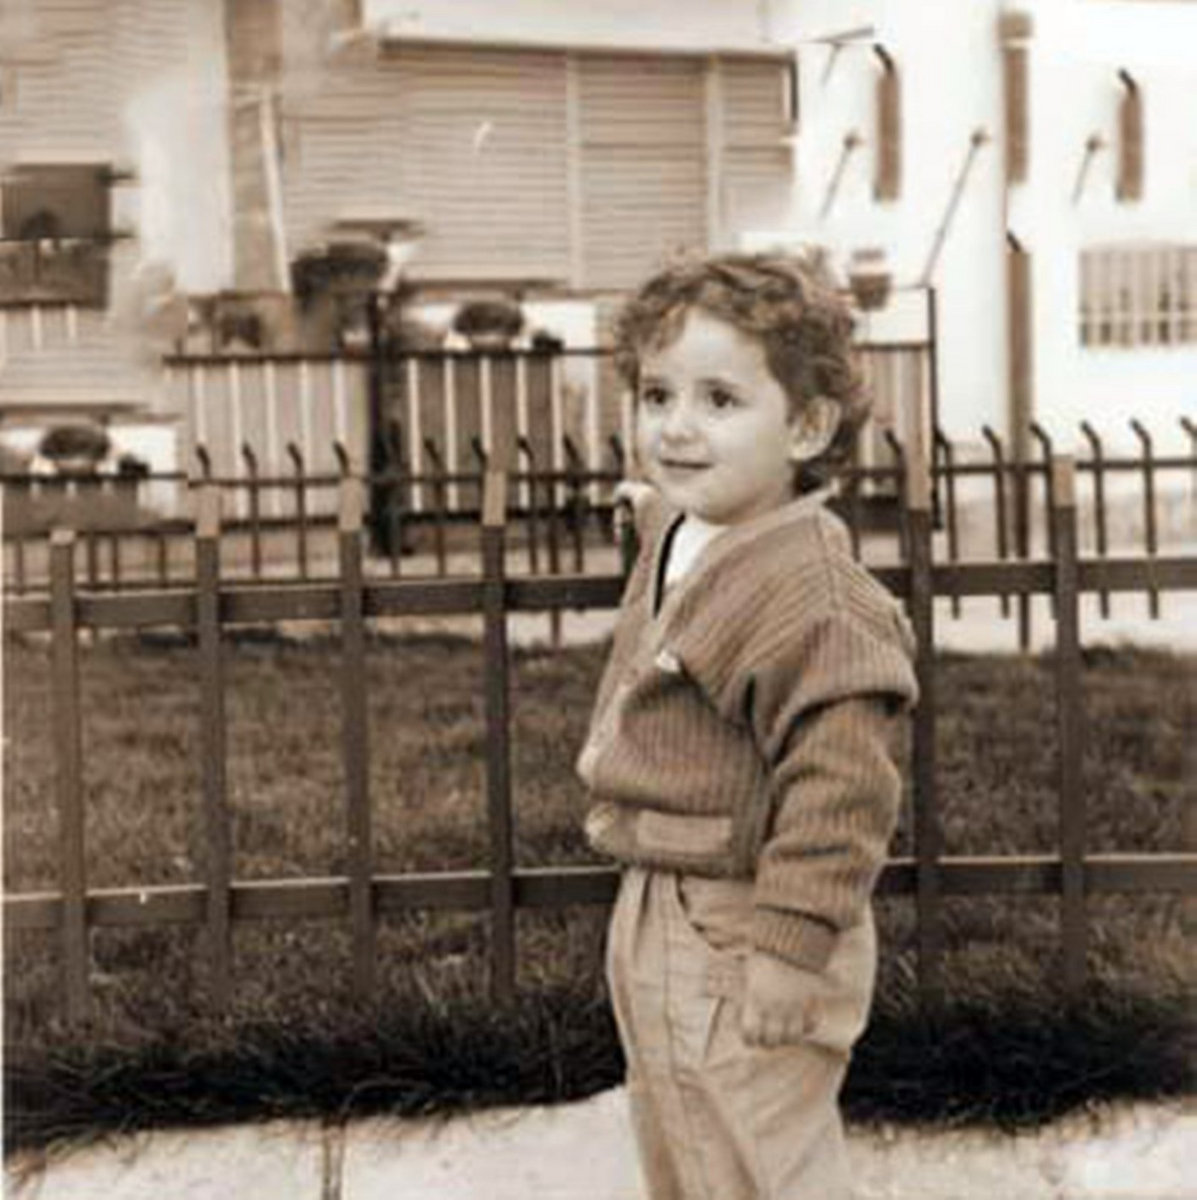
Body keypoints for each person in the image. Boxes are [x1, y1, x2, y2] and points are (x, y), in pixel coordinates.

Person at [576, 251, 919, 1199]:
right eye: (657, 396)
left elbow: (842, 790)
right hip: (668, 904)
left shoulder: (811, 597)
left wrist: (787, 947)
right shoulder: (706, 529)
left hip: (744, 922)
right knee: (687, 1143)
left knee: (759, 1160)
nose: (676, 427)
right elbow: (686, 541)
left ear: (806, 427)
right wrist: (651, 510)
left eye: (720, 401)